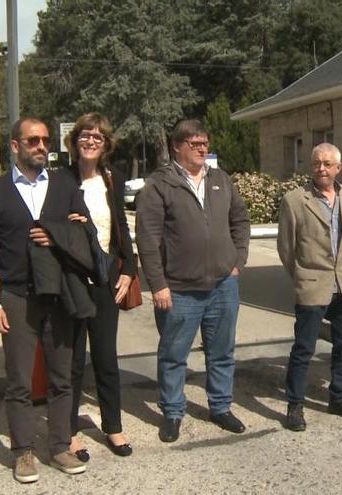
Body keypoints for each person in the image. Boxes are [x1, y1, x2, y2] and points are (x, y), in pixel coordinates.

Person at [0, 117, 88, 483]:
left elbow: (86, 231)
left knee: (62, 377)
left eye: (45, 140)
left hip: (59, 295)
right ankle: (23, 451)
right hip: (16, 296)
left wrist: (58, 235)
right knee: (20, 380)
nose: (41, 146)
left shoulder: (65, 185)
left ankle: (58, 446)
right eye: (33, 140)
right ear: (15, 146)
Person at [136, 119, 251, 443]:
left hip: (222, 286)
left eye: (205, 143)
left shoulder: (220, 179)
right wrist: (158, 284)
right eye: (195, 143)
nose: (203, 149)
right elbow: (148, 239)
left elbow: (240, 220)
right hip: (180, 290)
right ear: (177, 146)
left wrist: (237, 260)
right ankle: (173, 412)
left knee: (222, 351)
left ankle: (220, 407)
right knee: (173, 355)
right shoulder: (159, 185)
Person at [277, 143, 342, 432]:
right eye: (317, 163)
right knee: (304, 348)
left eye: (328, 164)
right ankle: (295, 405)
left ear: (338, 168)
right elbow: (286, 248)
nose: (322, 169)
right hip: (313, 284)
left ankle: (338, 397)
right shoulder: (294, 200)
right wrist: (302, 275)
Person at [64, 113, 136, 460]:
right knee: (74, 360)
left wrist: (129, 269)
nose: (91, 140)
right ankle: (69, 431)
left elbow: (120, 225)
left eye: (98, 137)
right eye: (85, 135)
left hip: (106, 277)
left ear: (106, 144)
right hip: (72, 280)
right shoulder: (60, 179)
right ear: (74, 141)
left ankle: (113, 427)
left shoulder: (112, 178)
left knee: (106, 357)